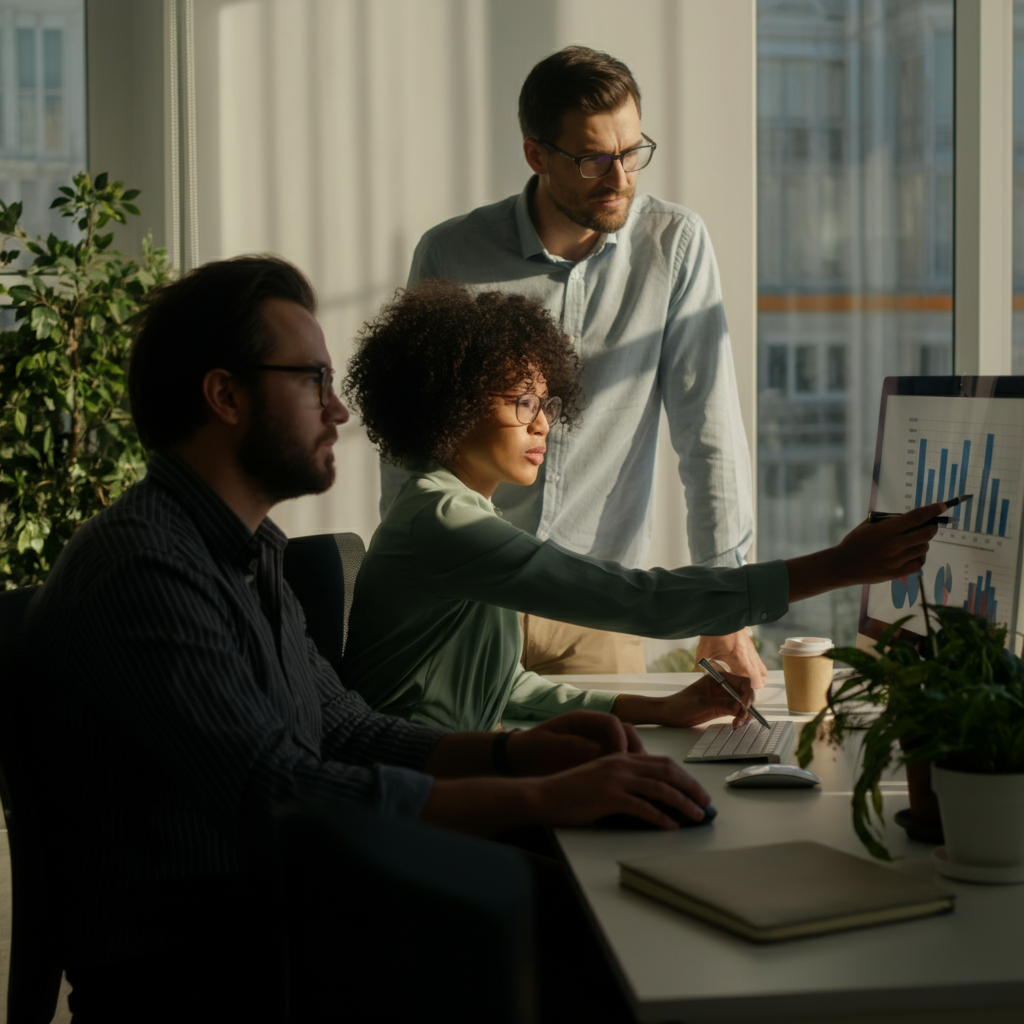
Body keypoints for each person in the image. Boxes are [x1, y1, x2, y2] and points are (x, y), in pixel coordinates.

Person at [26, 256, 726, 1022]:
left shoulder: (246, 550)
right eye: (311, 381)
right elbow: (279, 792)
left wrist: (518, 751)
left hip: (282, 919)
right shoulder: (141, 566)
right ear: (226, 395)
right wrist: (537, 793)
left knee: (599, 897)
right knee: (592, 927)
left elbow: (344, 726)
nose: (340, 412)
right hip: (213, 966)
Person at [342, 280, 942, 734]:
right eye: (523, 403)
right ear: (452, 404)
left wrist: (660, 708)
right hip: (418, 791)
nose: (544, 423)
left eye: (546, 402)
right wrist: (839, 567)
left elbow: (507, 689)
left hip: (446, 776)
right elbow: (635, 598)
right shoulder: (442, 522)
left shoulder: (456, 512)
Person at [384, 45, 768, 684]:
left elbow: (711, 439)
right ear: (537, 155)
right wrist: (408, 574)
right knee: (473, 777)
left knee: (611, 774)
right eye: (594, 159)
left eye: (632, 152)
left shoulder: (672, 247)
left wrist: (725, 613)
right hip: (469, 596)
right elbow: (411, 444)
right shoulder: (451, 253)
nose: (620, 178)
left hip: (597, 605)